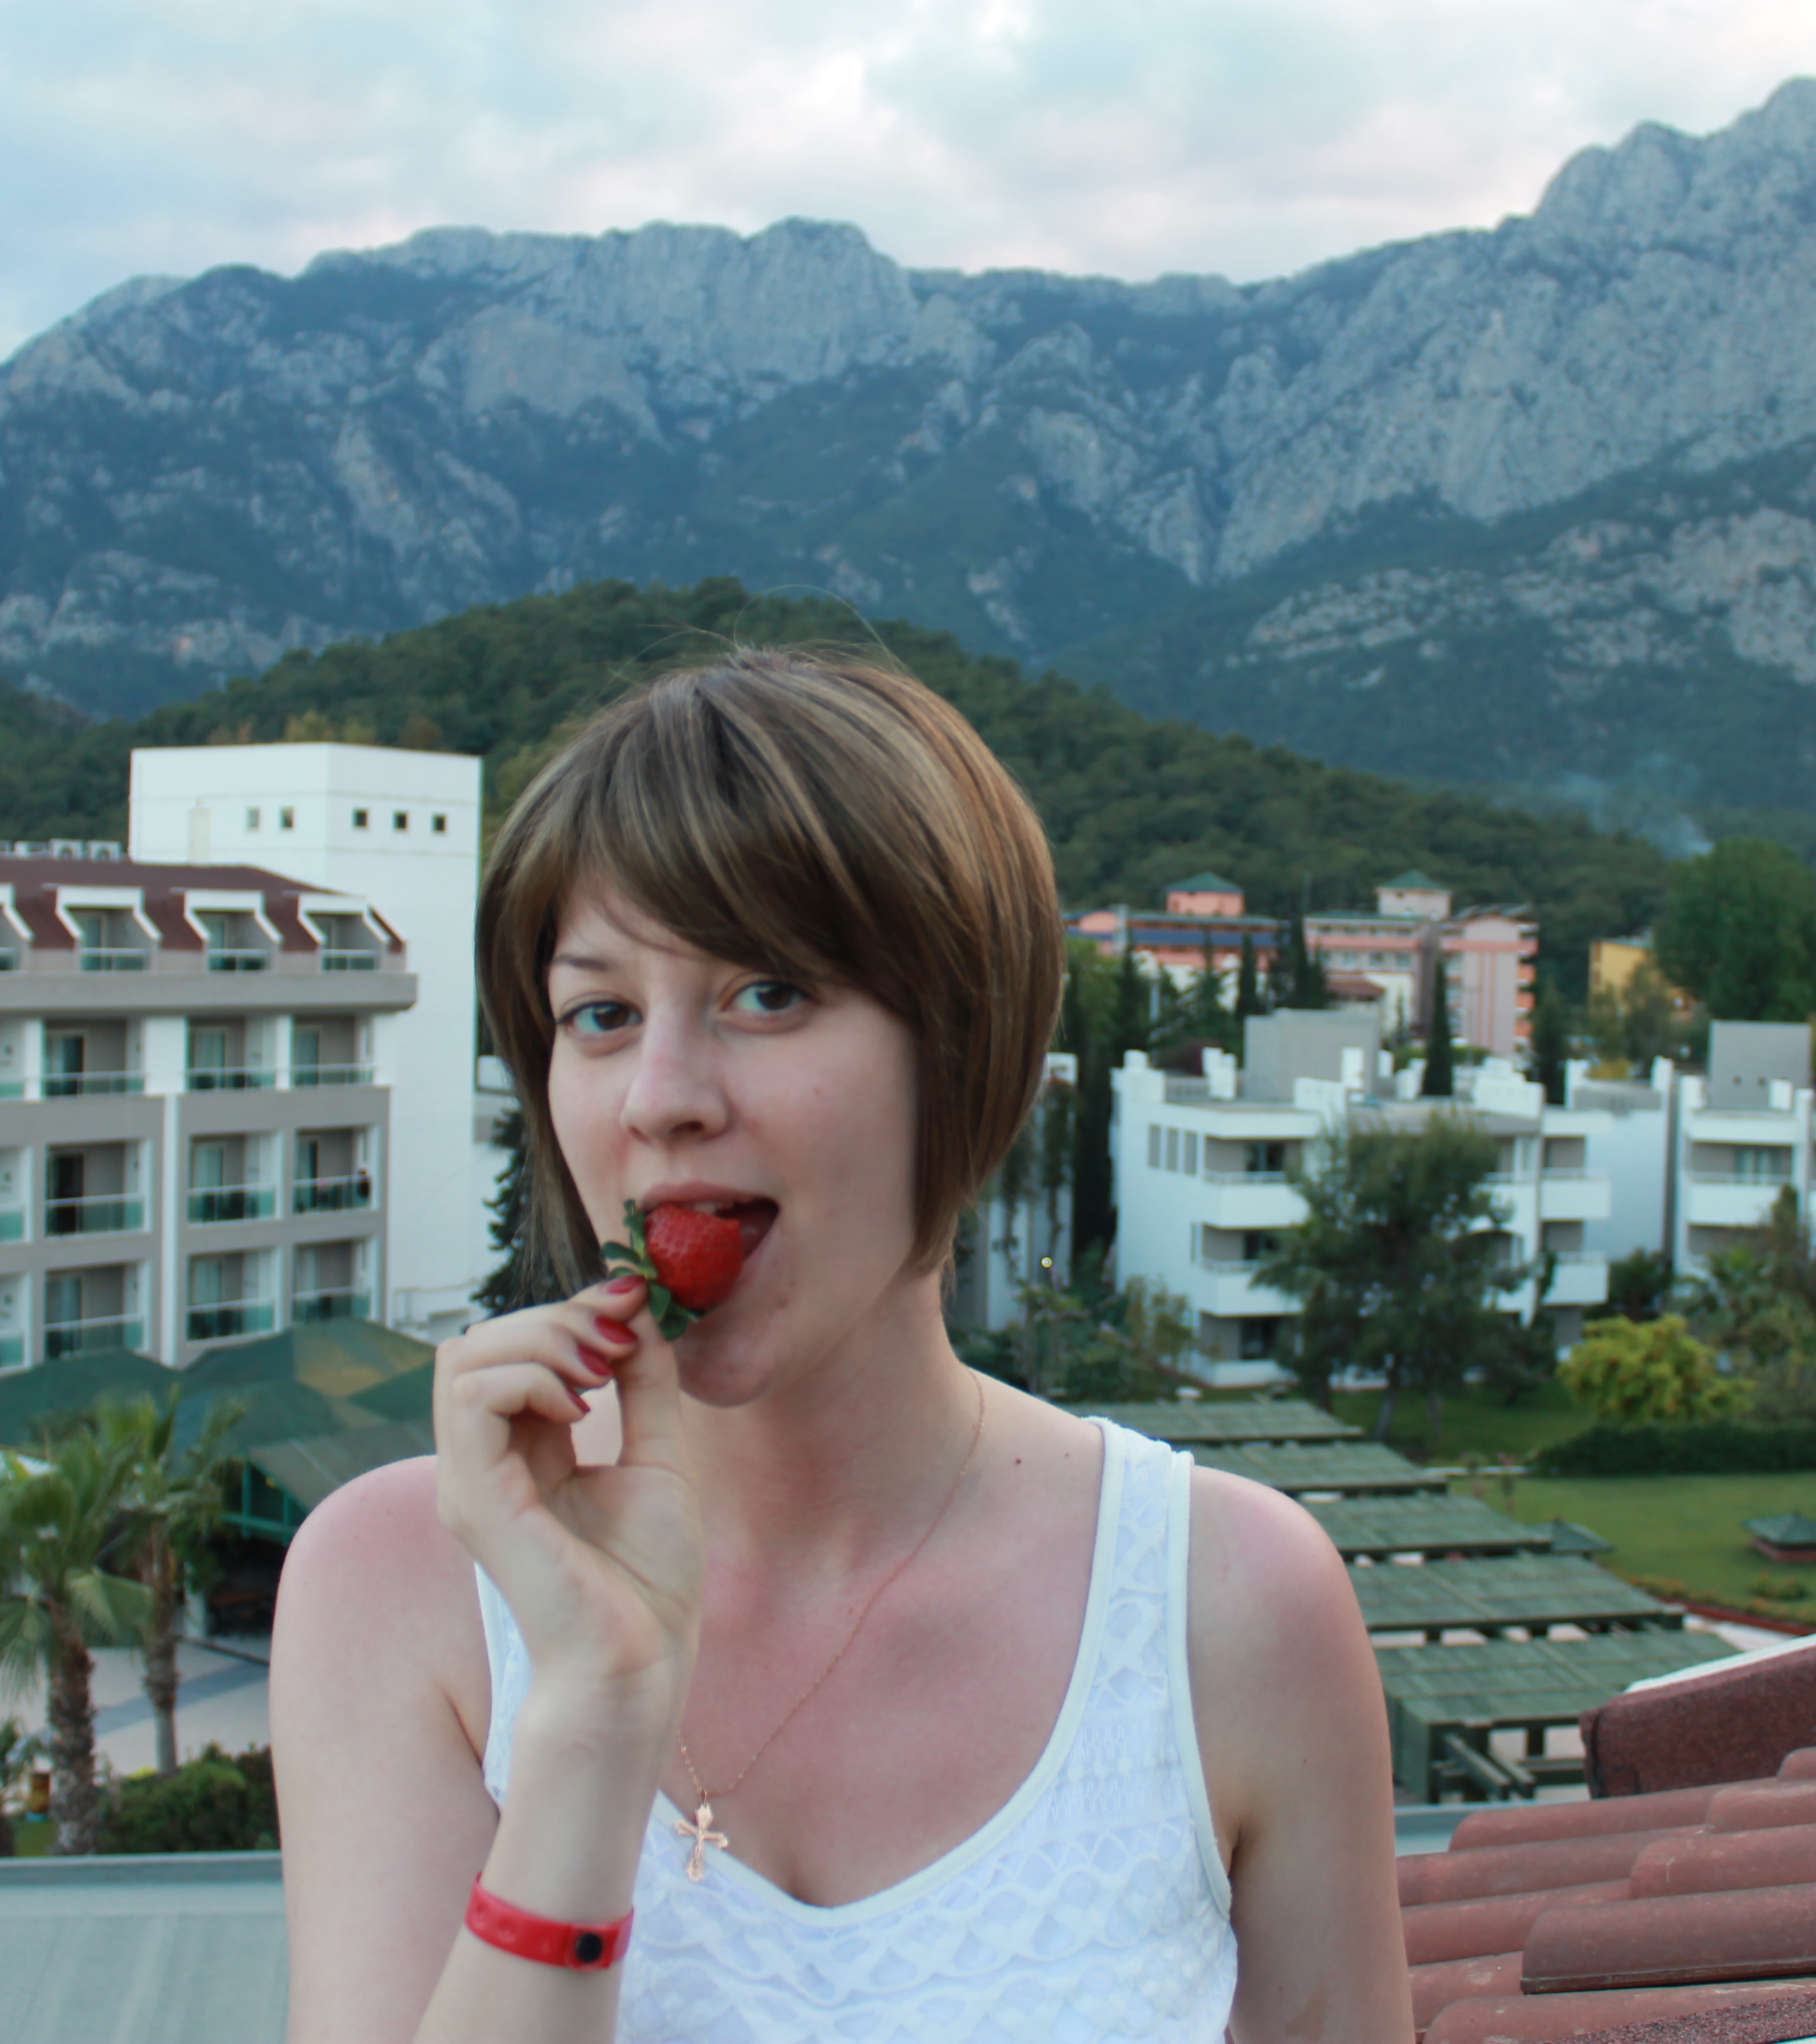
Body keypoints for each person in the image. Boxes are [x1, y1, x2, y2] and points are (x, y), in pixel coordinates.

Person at [275, 647, 1410, 2043]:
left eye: (768, 993)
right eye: (601, 1013)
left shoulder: (1229, 1607)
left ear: (965, 1047)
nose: (660, 1097)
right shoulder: (397, 1589)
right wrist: (594, 1717)